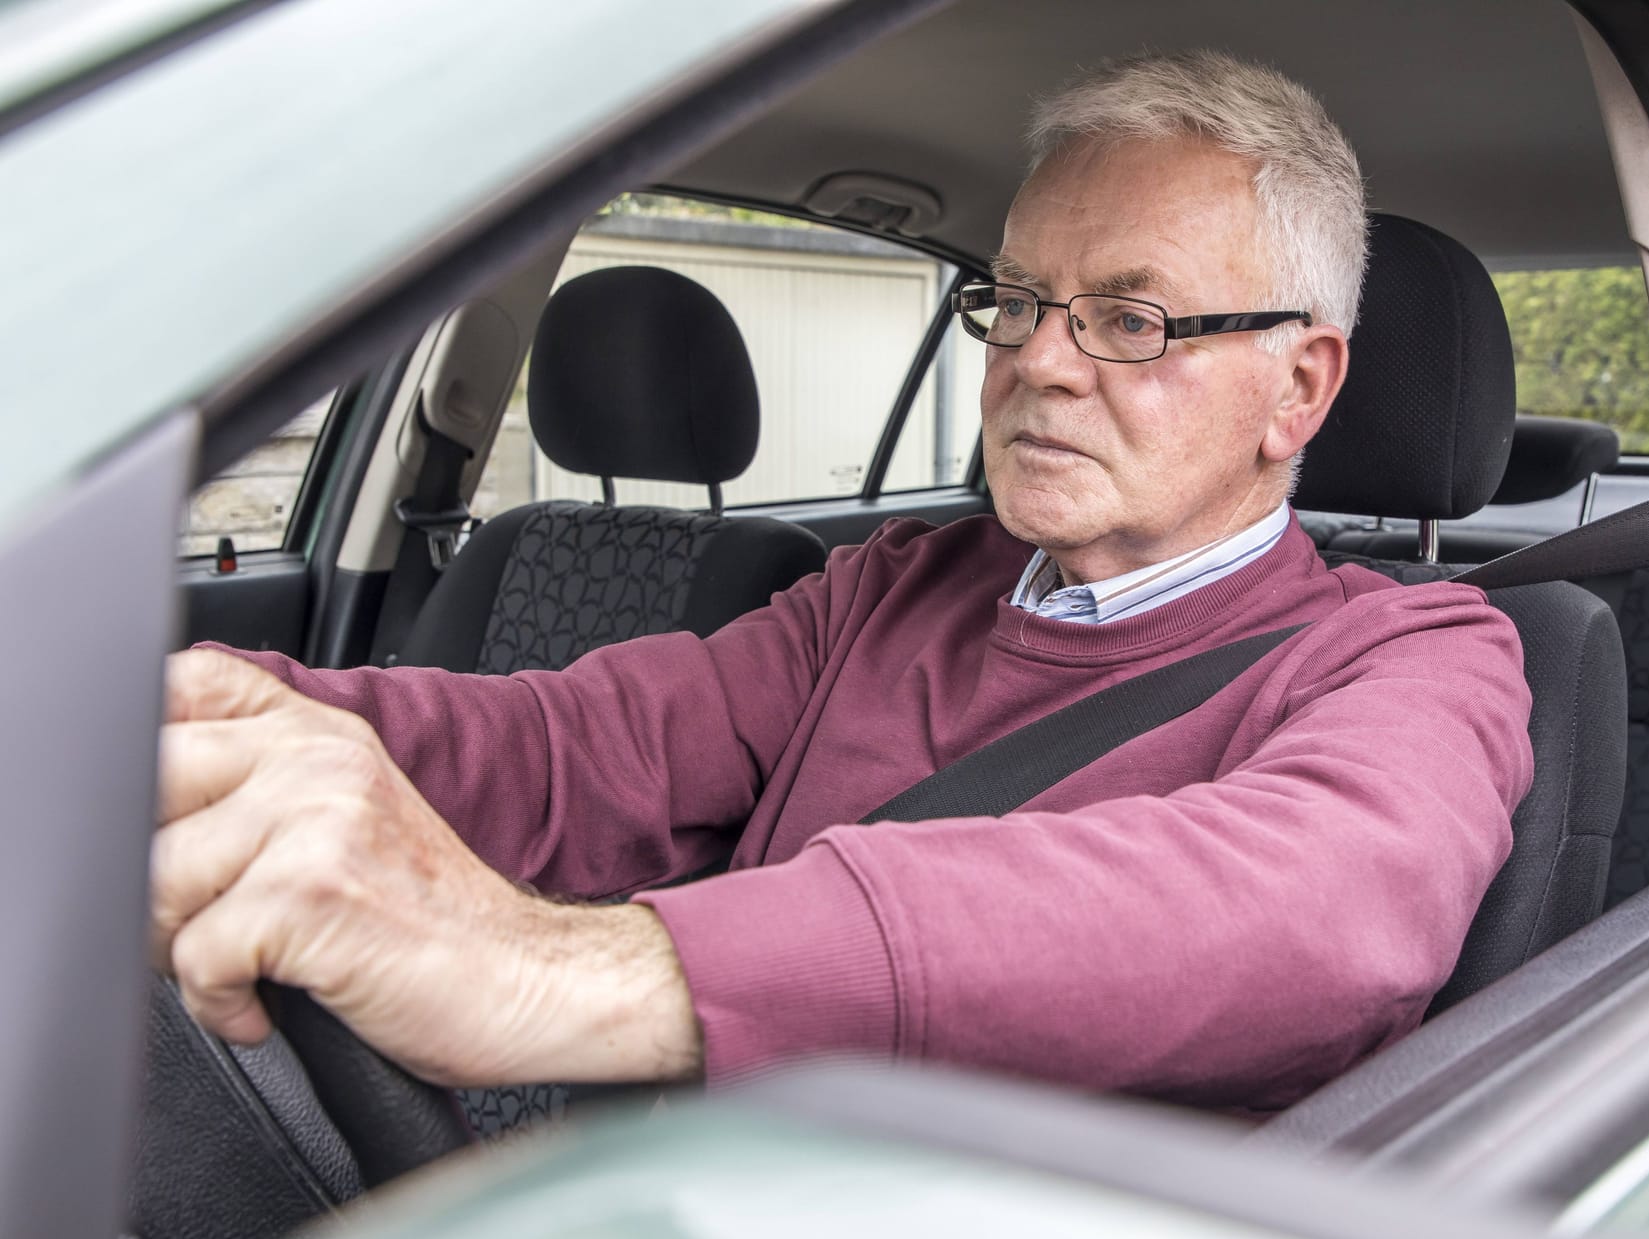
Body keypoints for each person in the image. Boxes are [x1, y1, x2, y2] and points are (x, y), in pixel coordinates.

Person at [152, 51, 1532, 1112]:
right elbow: (580, 745)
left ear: (1299, 385)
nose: (1038, 362)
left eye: (1130, 319)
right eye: (1019, 302)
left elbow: (1308, 915)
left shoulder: (1419, 658)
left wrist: (551, 971)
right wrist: (207, 729)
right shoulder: (890, 590)